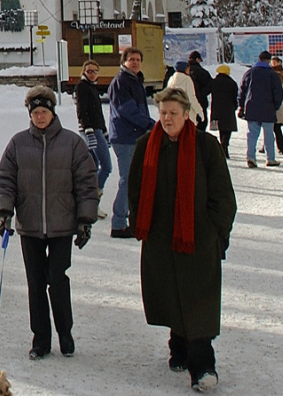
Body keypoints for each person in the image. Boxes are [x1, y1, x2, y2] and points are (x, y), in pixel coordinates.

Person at [128, 87, 236, 393]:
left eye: (173, 113)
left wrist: (215, 232)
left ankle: (203, 367)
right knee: (172, 295)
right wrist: (143, 226)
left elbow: (224, 197)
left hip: (198, 241)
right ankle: (178, 347)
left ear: (187, 115)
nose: (167, 119)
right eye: (162, 113)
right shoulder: (146, 145)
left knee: (198, 303)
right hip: (161, 240)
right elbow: (135, 192)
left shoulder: (206, 146)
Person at [0, 85, 98, 360]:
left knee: (57, 279)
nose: (40, 117)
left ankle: (65, 333)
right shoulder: (18, 144)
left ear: (52, 113)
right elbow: (5, 180)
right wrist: (4, 211)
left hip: (62, 225)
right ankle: (40, 339)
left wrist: (85, 219)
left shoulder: (72, 143)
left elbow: (87, 183)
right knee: (36, 283)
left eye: (44, 112)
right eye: (35, 112)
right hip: (30, 227)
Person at [107, 47, 154, 238]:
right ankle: (118, 224)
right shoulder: (121, 82)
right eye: (131, 59)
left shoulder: (135, 81)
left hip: (134, 136)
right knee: (128, 180)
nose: (135, 62)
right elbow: (128, 111)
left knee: (135, 180)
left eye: (138, 59)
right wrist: (150, 124)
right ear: (124, 62)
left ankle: (131, 218)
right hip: (125, 137)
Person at [74, 59, 111, 218]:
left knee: (93, 166)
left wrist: (104, 130)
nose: (92, 74)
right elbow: (82, 110)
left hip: (96, 129)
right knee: (107, 166)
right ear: (84, 72)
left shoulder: (92, 87)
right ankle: (94, 196)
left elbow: (97, 112)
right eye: (89, 71)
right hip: (90, 130)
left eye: (95, 71)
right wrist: (89, 129)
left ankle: (90, 204)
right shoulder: (82, 87)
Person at [237, 50, 283, 168]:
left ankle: (251, 157)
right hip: (268, 108)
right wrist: (276, 106)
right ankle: (270, 159)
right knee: (269, 135)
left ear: (259, 59)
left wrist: (242, 105)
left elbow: (242, 90)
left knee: (252, 134)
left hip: (252, 108)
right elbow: (278, 92)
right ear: (268, 61)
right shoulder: (272, 75)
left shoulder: (250, 72)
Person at [208, 65, 239, 159]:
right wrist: (235, 106)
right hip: (228, 109)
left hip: (217, 108)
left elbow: (207, 91)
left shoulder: (214, 82)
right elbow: (235, 97)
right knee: (228, 128)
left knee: (221, 128)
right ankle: (225, 144)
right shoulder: (232, 83)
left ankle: (223, 145)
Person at [167, 60, 203, 125]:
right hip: (187, 114)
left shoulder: (171, 80)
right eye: (188, 68)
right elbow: (191, 98)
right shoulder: (187, 80)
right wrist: (199, 111)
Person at [188, 52, 213, 131]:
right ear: (197, 59)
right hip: (200, 101)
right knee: (201, 123)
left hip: (186, 103)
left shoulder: (184, 72)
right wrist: (202, 93)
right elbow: (210, 85)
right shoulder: (202, 72)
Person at [271, 54, 283, 154]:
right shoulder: (270, 73)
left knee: (275, 126)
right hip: (277, 103)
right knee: (274, 126)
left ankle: (280, 146)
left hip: (278, 103)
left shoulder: (271, 74)